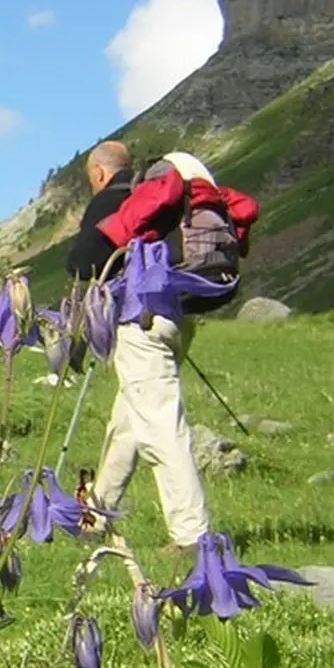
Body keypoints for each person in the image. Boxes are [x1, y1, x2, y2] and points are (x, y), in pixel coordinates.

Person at [66, 142, 212, 556]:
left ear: (98, 172)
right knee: (128, 422)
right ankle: (96, 516)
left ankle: (191, 536)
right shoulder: (159, 196)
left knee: (160, 427)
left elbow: (82, 263)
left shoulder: (113, 200)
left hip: (141, 321)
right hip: (179, 316)